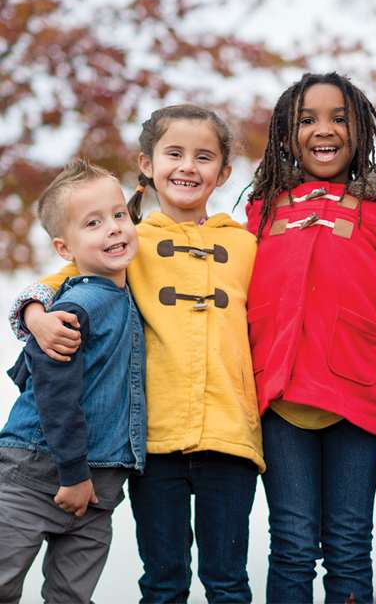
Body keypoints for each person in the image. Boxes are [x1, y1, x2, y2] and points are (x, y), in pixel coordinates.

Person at [8, 105, 263, 603]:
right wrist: (36, 315)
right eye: (174, 153)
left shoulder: (246, 245)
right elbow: (51, 286)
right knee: (163, 580)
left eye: (204, 156)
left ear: (224, 173)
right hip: (154, 445)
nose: (188, 166)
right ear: (146, 164)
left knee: (229, 580)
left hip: (231, 434)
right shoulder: (128, 241)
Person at [245, 72, 376, 604]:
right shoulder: (262, 212)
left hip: (359, 408)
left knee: (348, 547)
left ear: (361, 130)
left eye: (339, 118)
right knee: (292, 546)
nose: (325, 130)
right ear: (284, 133)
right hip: (279, 406)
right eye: (307, 119)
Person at [0, 160, 145, 604]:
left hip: (99, 483)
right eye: (94, 223)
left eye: (119, 215)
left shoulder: (125, 293)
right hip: (42, 469)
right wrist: (73, 473)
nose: (114, 229)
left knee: (70, 595)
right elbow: (54, 392)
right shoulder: (81, 304)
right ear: (65, 248)